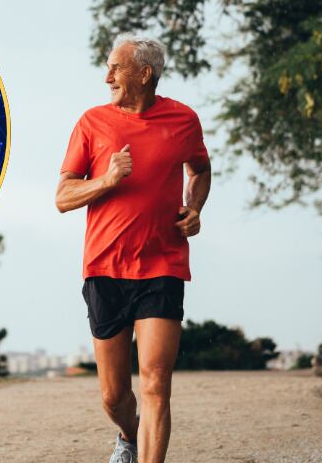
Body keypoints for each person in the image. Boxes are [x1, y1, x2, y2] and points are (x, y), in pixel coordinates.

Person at [55, 34, 212, 463]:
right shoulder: (92, 123)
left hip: (163, 264)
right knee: (113, 395)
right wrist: (108, 180)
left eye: (115, 68)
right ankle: (128, 434)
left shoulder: (183, 120)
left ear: (145, 74)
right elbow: (63, 197)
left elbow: (200, 169)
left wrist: (195, 208)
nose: (107, 77)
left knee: (156, 383)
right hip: (105, 268)